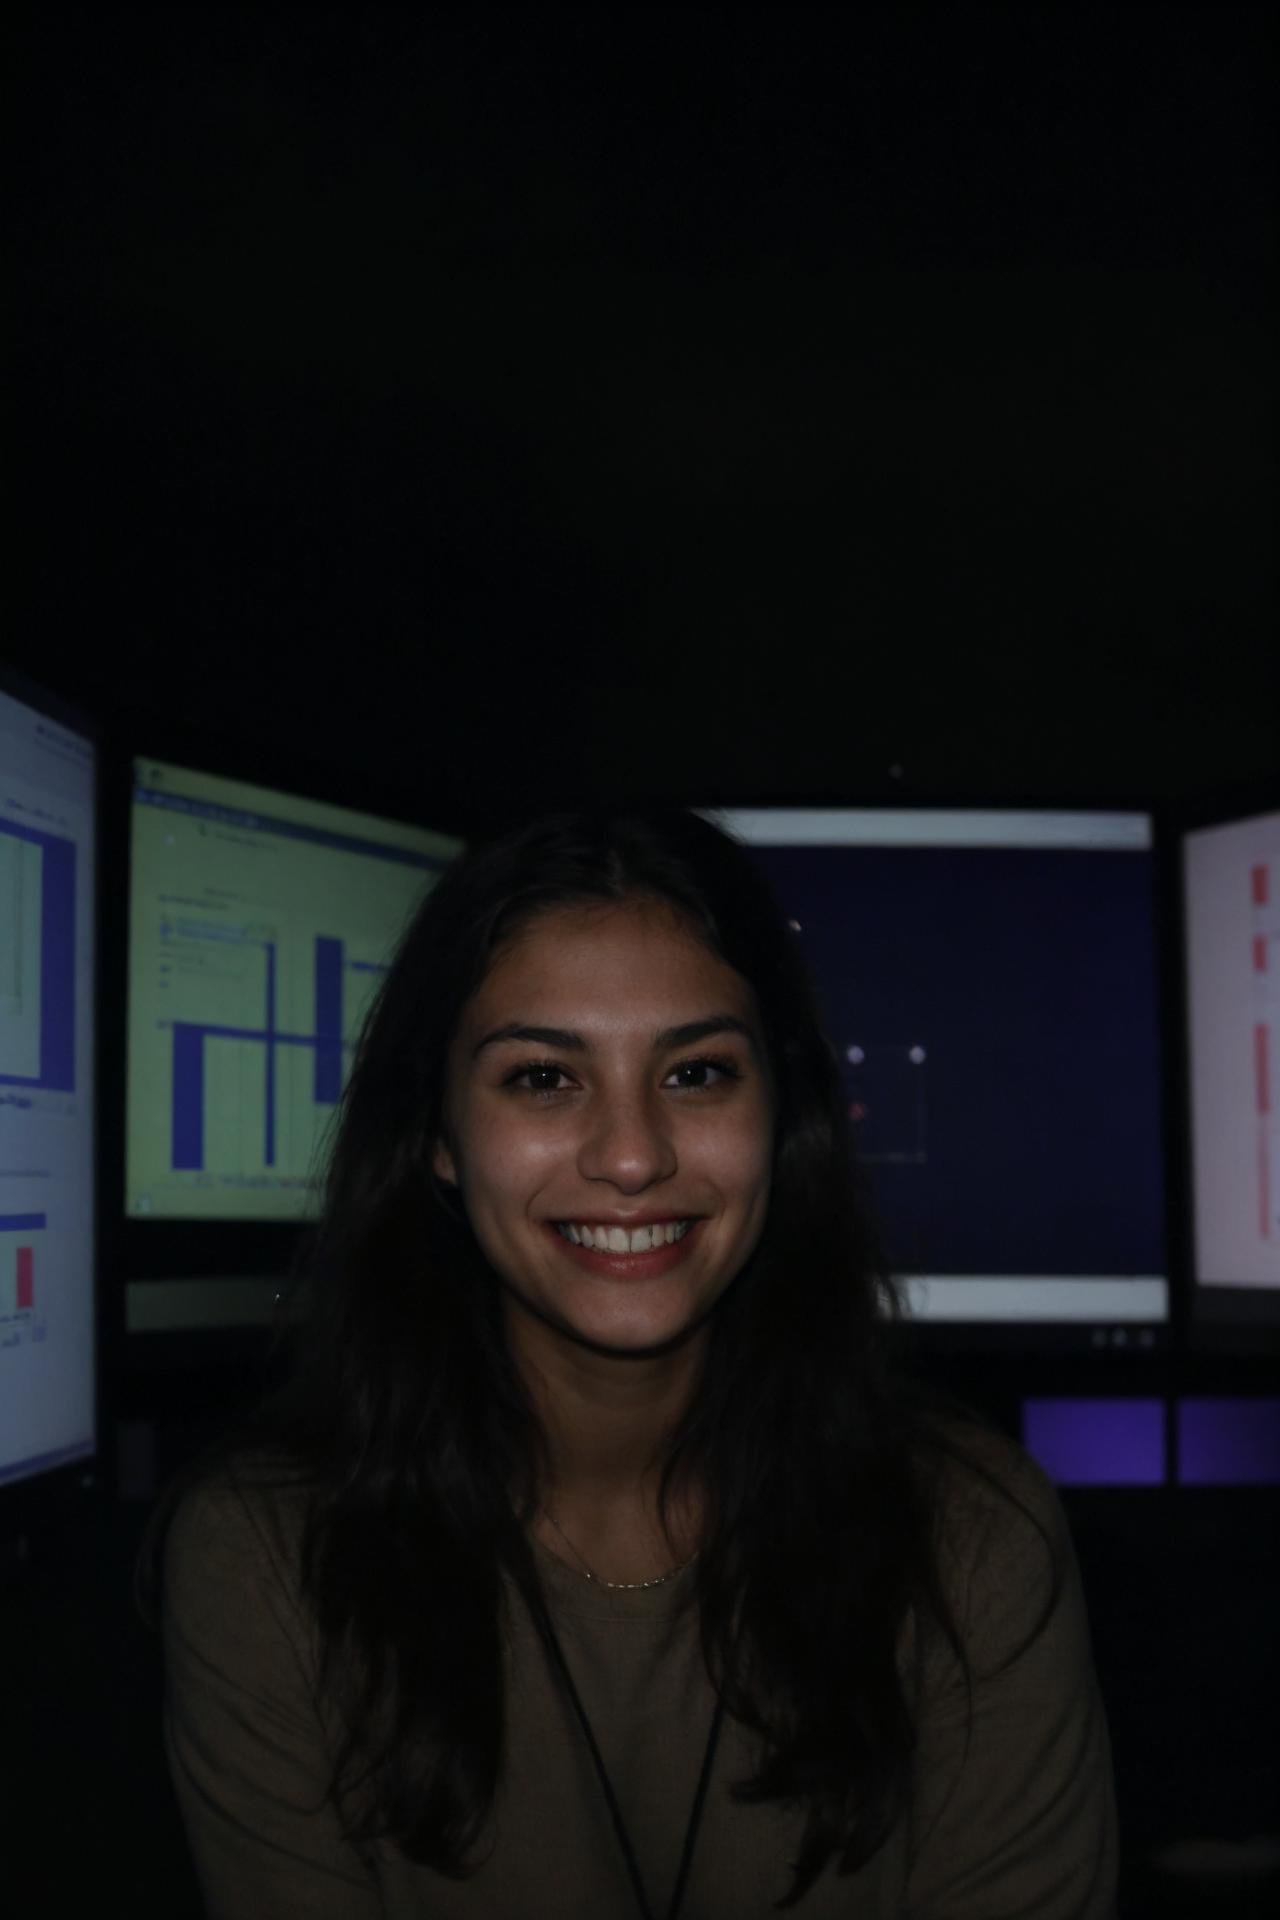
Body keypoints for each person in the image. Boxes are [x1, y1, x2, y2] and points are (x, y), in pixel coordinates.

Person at [135, 802, 1119, 1919]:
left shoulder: (975, 1540)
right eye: (542, 1079)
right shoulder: (263, 1564)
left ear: (779, 1114)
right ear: (438, 1139)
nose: (632, 1155)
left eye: (696, 1073)